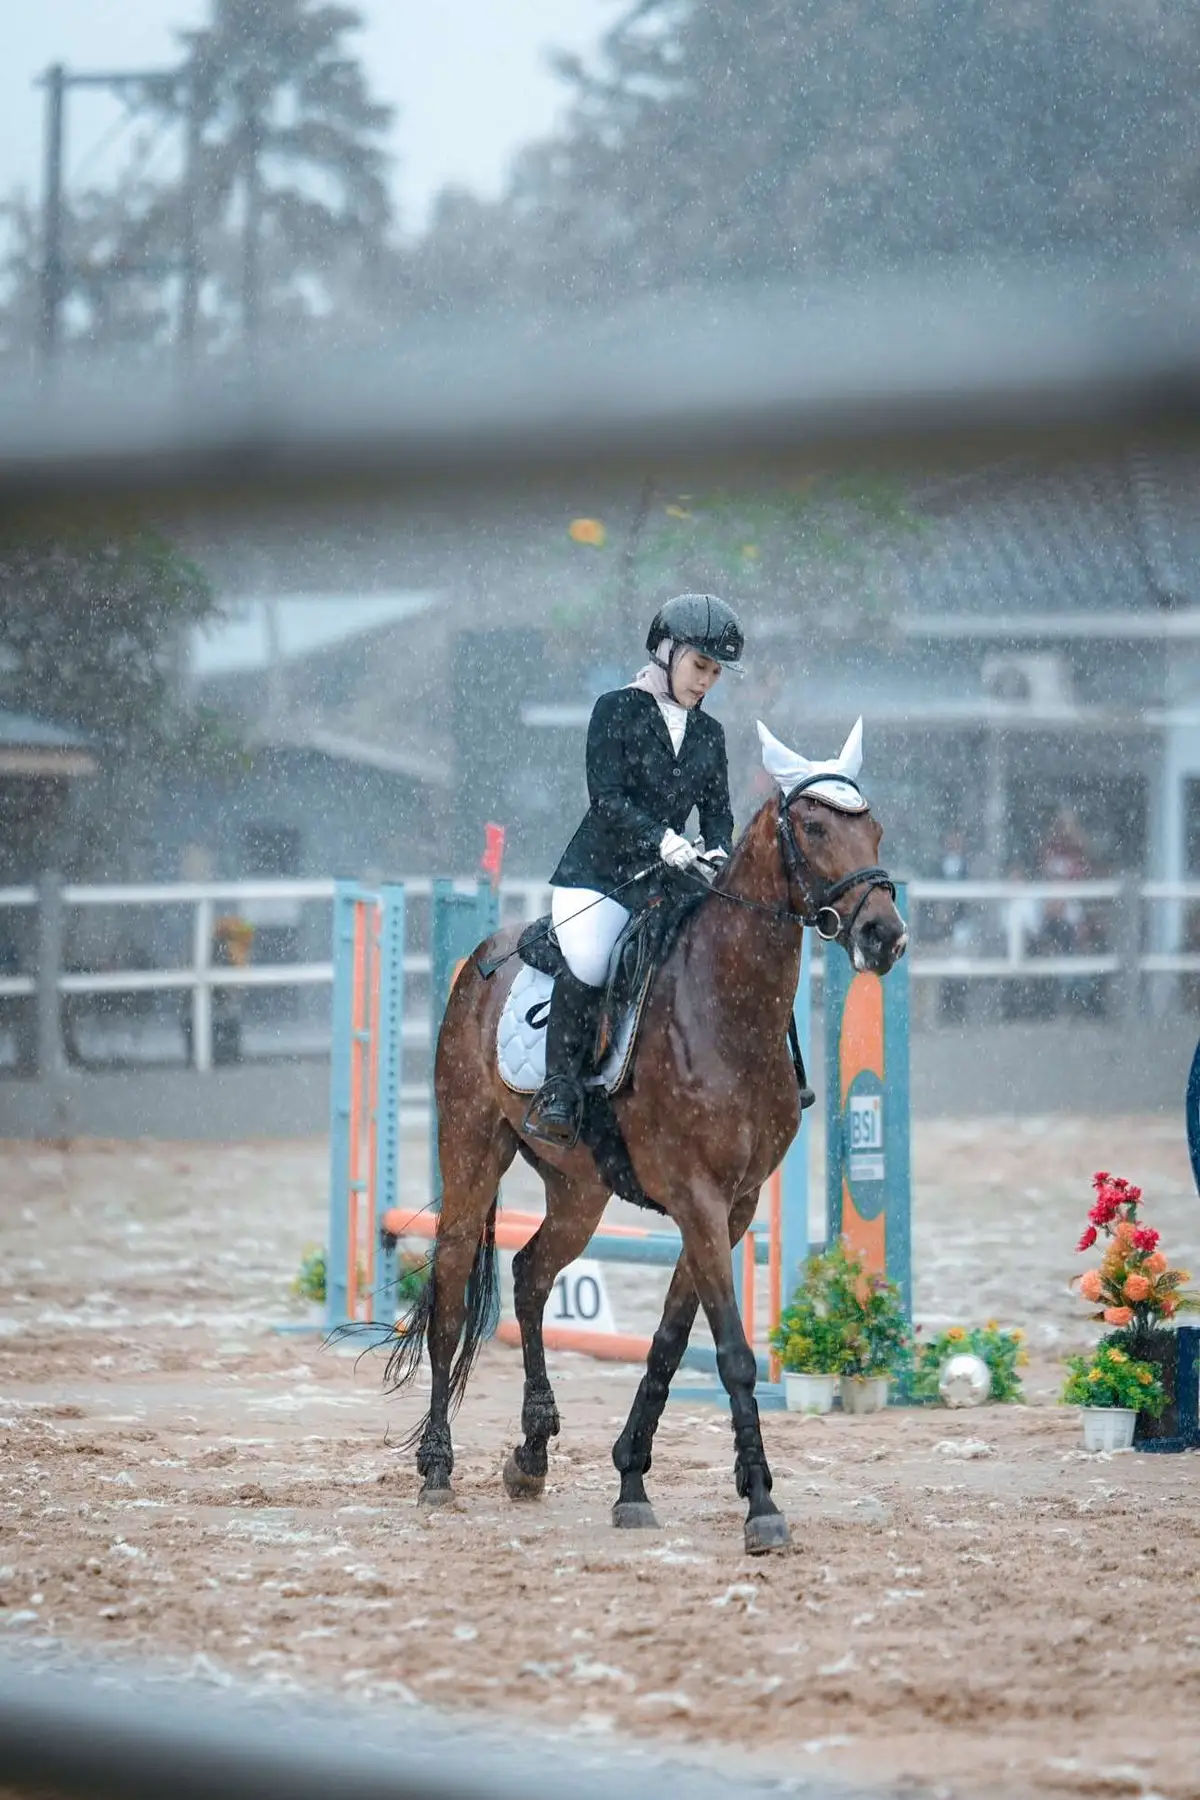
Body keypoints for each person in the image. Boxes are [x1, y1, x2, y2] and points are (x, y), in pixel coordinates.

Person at [523, 593, 744, 1147]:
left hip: (667, 882)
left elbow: (718, 811)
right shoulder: (614, 709)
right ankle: (560, 1090)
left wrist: (717, 849)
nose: (705, 682)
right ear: (667, 653)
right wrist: (661, 837)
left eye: (715, 673)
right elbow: (607, 799)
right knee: (594, 960)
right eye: (699, 667)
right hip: (598, 876)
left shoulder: (710, 734)